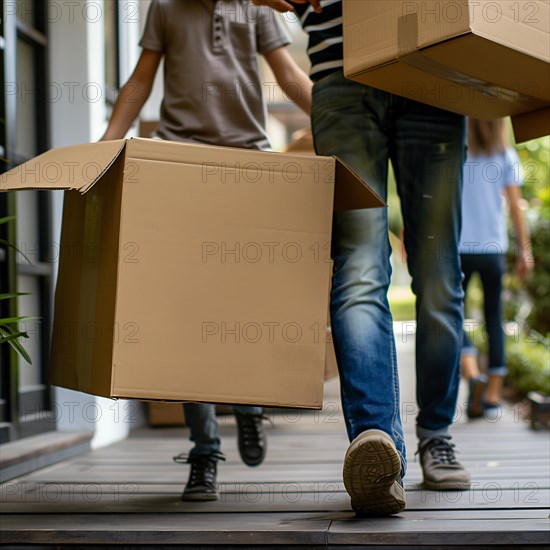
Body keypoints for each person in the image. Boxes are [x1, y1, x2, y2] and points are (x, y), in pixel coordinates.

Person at [253, 0, 471, 515]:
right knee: (359, 270)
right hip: (342, 75)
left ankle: (435, 434)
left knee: (439, 274)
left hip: (433, 67)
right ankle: (376, 446)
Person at [101, 0, 312, 501]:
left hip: (249, 161)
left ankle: (249, 404)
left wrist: (341, 120)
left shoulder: (259, 6)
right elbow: (141, 78)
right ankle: (204, 451)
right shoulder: (166, 7)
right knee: (188, 314)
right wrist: (108, 141)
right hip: (180, 159)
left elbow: (287, 72)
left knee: (247, 304)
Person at [460, 118, 534, 419]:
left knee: (453, 315)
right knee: (494, 319)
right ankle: (491, 397)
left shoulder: (458, 150)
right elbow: (516, 208)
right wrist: (525, 251)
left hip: (459, 247)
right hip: (493, 249)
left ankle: (471, 371)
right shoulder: (505, 154)